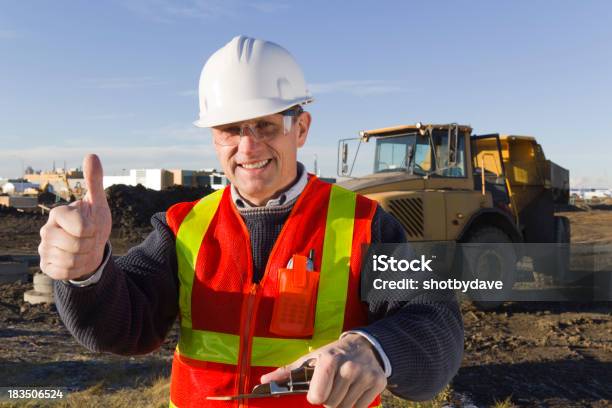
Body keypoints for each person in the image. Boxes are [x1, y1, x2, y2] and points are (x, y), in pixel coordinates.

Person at [39, 35, 463, 408]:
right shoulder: (182, 226)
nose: (247, 146)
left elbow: (436, 318)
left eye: (266, 124)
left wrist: (377, 348)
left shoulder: (367, 224)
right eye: (230, 129)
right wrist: (87, 274)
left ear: (301, 129)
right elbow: (124, 328)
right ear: (213, 137)